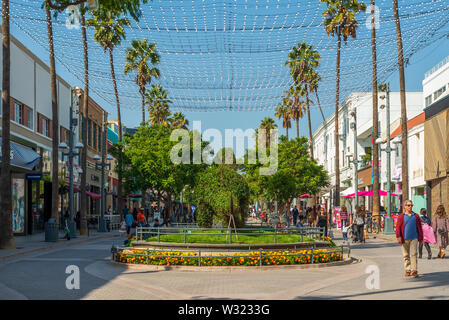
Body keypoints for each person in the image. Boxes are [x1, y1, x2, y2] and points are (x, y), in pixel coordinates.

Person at [396, 200, 423, 278]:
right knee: (406, 255)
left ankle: (414, 270)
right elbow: (398, 227)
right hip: (404, 238)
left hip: (414, 238)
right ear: (405, 206)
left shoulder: (416, 216)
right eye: (408, 205)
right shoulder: (401, 216)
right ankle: (408, 270)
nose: (410, 207)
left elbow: (419, 228)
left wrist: (421, 238)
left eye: (411, 205)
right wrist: (398, 237)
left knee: (414, 254)